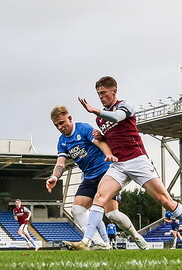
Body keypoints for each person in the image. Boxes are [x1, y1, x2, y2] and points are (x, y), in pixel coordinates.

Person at [66, 76, 182, 250]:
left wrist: (96, 111)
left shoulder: (124, 105)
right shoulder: (100, 120)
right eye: (98, 94)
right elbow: (115, 135)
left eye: (103, 93)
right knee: (100, 198)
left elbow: (117, 117)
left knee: (165, 200)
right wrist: (102, 137)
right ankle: (86, 242)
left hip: (137, 160)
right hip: (118, 164)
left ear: (114, 91)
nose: (101, 97)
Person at [47, 105, 149, 250]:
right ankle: (99, 243)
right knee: (77, 209)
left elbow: (100, 142)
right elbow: (61, 163)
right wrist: (54, 177)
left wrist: (108, 154)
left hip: (106, 173)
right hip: (89, 177)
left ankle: (136, 236)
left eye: (62, 123)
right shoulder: (62, 141)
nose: (60, 127)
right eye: (56, 125)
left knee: (112, 214)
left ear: (69, 118)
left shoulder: (84, 129)